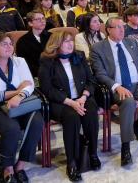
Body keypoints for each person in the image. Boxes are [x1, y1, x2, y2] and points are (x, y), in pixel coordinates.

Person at [90, 18, 138, 166]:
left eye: (122, 27)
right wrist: (117, 86)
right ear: (108, 30)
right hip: (117, 87)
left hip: (137, 84)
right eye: (117, 27)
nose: (122, 29)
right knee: (129, 102)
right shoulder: (98, 48)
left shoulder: (130, 43)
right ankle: (126, 147)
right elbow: (100, 74)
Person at [0, 33, 43, 183]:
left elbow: (30, 84)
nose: (9, 47)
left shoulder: (19, 61)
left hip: (20, 104)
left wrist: (19, 96)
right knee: (11, 128)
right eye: (4, 44)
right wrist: (18, 91)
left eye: (10, 44)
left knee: (38, 121)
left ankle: (21, 165)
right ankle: (8, 168)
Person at [39, 31, 100, 181]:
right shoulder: (47, 61)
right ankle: (71, 162)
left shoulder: (78, 56)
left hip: (82, 98)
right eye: (66, 41)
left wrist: (84, 96)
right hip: (60, 101)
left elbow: (91, 80)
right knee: (72, 116)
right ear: (56, 44)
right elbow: (47, 89)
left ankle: (92, 153)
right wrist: (70, 102)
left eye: (71, 41)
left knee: (91, 112)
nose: (70, 44)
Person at [15, 11, 51, 77]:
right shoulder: (22, 41)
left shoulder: (51, 36)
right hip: (35, 74)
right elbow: (24, 63)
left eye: (43, 18)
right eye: (38, 19)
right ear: (30, 23)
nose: (42, 21)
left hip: (53, 71)